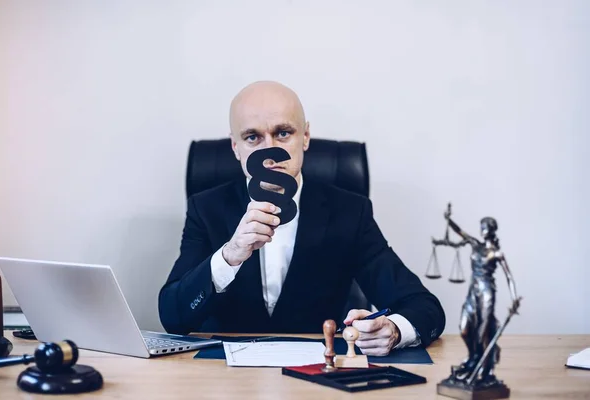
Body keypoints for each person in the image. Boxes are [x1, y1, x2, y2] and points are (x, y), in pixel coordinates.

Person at [158, 81, 445, 356]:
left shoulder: (349, 211)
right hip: (224, 378)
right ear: (236, 147)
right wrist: (229, 255)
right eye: (252, 137)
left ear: (305, 137)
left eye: (283, 133)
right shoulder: (205, 208)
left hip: (317, 377)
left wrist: (394, 330)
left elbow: (424, 307)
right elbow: (173, 317)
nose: (269, 152)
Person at [433, 210, 520, 384]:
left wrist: (514, 299)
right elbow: (461, 232)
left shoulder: (496, 253)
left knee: (483, 332)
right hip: (473, 291)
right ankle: (473, 357)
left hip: (487, 292)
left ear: (491, 229)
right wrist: (449, 220)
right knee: (465, 328)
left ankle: (483, 366)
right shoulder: (476, 245)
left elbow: (509, 277)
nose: (481, 230)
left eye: (484, 227)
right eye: (481, 227)